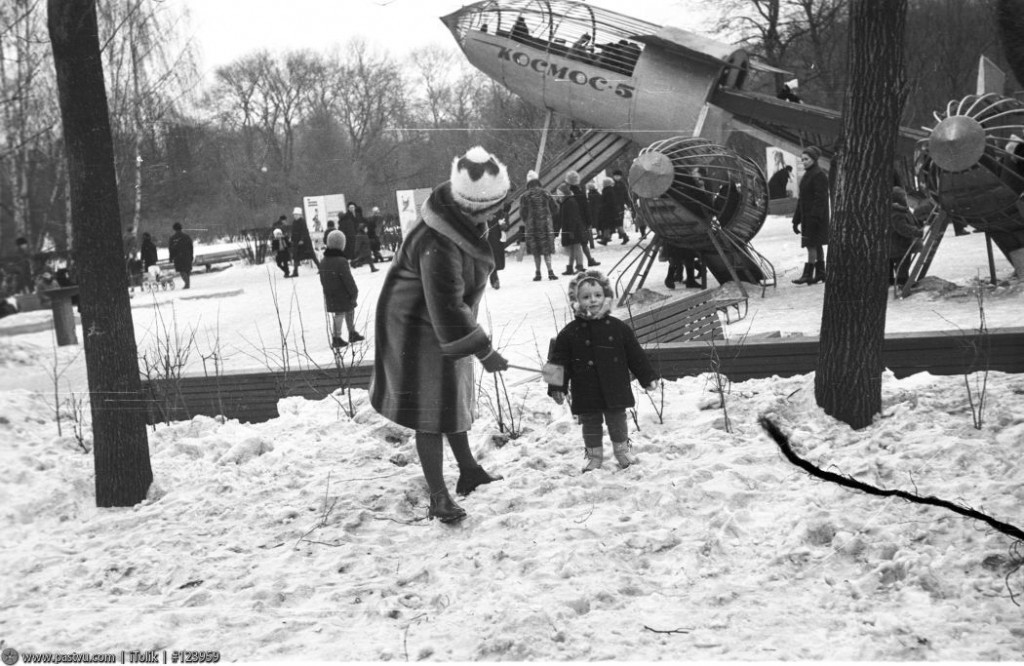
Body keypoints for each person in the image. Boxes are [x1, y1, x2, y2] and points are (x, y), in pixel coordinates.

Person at [369, 146, 511, 524]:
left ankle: (468, 470)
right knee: (430, 411)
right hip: (415, 326)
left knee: (452, 395)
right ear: (474, 205)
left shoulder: (460, 219)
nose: (498, 213)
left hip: (444, 323)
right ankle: (438, 496)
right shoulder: (439, 240)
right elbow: (446, 305)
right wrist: (484, 351)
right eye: (495, 207)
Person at [546, 270, 659, 473]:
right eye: (586, 297)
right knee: (590, 424)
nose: (593, 300)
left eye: (597, 295)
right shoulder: (569, 332)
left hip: (615, 387)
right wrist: (556, 387)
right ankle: (593, 456)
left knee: (617, 420)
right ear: (576, 300)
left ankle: (622, 451)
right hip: (586, 388)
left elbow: (636, 355)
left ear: (605, 297)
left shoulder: (618, 328)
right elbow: (557, 359)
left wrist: (647, 376)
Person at [791, 145, 830, 285]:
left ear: (814, 159)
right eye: (802, 159)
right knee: (816, 244)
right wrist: (796, 220)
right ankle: (821, 273)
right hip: (809, 216)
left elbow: (821, 198)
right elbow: (802, 199)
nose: (804, 162)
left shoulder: (818, 175)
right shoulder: (809, 174)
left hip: (815, 217)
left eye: (806, 159)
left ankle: (808, 274)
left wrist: (815, 217)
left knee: (811, 245)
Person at [319, 230, 363, 348]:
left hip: (330, 292)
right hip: (342, 292)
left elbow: (323, 279)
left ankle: (351, 332)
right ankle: (337, 337)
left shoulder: (324, 261)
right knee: (342, 312)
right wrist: (354, 292)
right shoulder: (341, 261)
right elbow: (348, 279)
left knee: (347, 310)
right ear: (341, 244)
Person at [517, 170, 559, 281]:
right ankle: (550, 271)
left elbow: (522, 213)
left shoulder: (524, 196)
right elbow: (555, 208)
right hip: (545, 225)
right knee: (547, 250)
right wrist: (548, 216)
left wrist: (528, 220)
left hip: (532, 226)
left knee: (536, 251)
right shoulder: (546, 193)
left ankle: (538, 273)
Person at [889, 186, 923, 287]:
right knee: (902, 264)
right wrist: (916, 232)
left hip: (897, 243)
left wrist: (918, 224)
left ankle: (895, 281)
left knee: (899, 264)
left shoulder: (901, 210)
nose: (906, 199)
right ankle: (902, 282)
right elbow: (902, 228)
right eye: (903, 197)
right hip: (898, 244)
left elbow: (909, 222)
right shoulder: (896, 212)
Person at [564, 171, 600, 267]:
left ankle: (574, 264)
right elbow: (586, 208)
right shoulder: (580, 193)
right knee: (583, 242)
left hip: (572, 221)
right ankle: (588, 260)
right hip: (582, 220)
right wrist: (589, 221)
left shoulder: (567, 193)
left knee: (574, 244)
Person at [555, 182, 587, 275]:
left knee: (576, 247)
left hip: (574, 229)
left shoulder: (570, 202)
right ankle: (570, 267)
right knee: (573, 248)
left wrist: (571, 230)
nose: (558, 194)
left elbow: (573, 217)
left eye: (560, 192)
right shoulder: (566, 201)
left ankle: (579, 266)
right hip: (571, 229)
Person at [289, 206, 319, 276]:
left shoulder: (302, 221)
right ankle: (295, 272)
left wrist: (302, 239)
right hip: (297, 242)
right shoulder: (294, 222)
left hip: (305, 243)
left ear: (300, 215)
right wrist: (292, 239)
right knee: (296, 256)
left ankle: (320, 268)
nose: (295, 216)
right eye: (294, 215)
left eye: (296, 214)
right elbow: (293, 231)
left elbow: (304, 231)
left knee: (312, 255)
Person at [486, 202, 509, 289]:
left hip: (495, 235)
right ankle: (493, 277)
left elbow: (503, 221)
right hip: (487, 235)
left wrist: (503, 224)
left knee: (493, 257)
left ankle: (494, 277)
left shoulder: (497, 208)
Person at [168, 222, 194, 289]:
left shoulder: (173, 238)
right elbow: (191, 247)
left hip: (178, 257)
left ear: (174, 229)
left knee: (182, 271)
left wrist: (171, 258)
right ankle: (187, 284)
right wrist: (191, 255)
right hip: (187, 255)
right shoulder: (186, 236)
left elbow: (171, 249)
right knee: (187, 270)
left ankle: (187, 284)